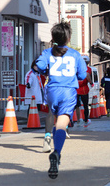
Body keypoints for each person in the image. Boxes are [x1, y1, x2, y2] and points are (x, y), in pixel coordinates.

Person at [35, 22, 87, 179]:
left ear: (53, 37)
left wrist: (45, 70)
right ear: (69, 38)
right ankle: (56, 152)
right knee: (61, 126)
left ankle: (50, 141)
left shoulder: (46, 53)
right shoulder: (75, 54)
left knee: (54, 117)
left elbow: (38, 68)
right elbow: (83, 75)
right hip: (68, 92)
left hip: (52, 91)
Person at [75, 56, 93, 126]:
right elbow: (88, 75)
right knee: (85, 105)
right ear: (88, 62)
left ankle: (78, 119)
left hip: (76, 88)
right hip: (84, 89)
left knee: (76, 105)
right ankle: (86, 120)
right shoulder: (89, 69)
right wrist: (91, 83)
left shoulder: (76, 68)